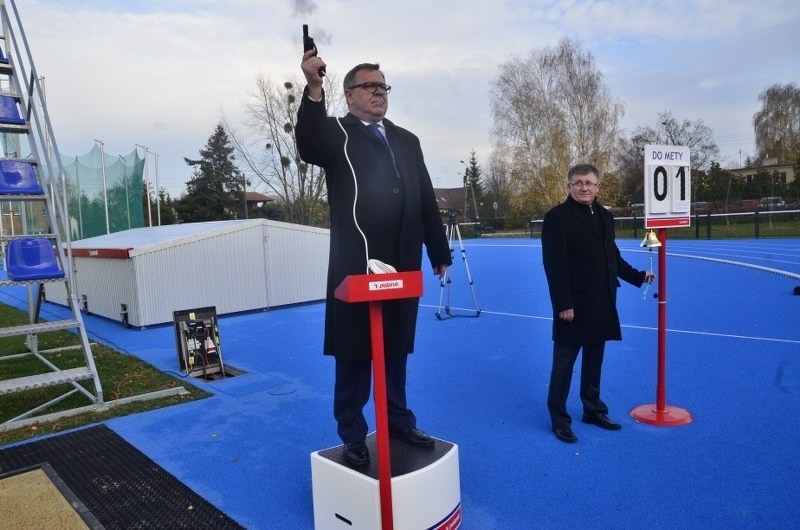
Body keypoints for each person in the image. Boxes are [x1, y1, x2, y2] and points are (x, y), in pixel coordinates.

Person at [295, 50, 452, 466]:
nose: (379, 92)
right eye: (370, 86)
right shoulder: (336, 133)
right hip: (356, 261)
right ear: (348, 95)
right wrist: (313, 87)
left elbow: (423, 199)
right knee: (354, 351)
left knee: (396, 347)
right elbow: (308, 144)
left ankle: (398, 420)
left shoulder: (406, 139)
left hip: (403, 260)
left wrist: (438, 250)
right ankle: (352, 431)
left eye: (383, 86)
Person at [541, 163, 654, 443]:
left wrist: (639, 277)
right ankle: (559, 419)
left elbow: (611, 258)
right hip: (573, 304)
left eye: (589, 183)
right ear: (569, 187)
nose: (584, 188)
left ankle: (592, 410)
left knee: (595, 360)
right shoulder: (557, 218)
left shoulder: (605, 216)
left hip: (602, 300)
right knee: (564, 363)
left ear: (598, 187)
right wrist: (563, 303)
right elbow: (554, 265)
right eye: (578, 183)